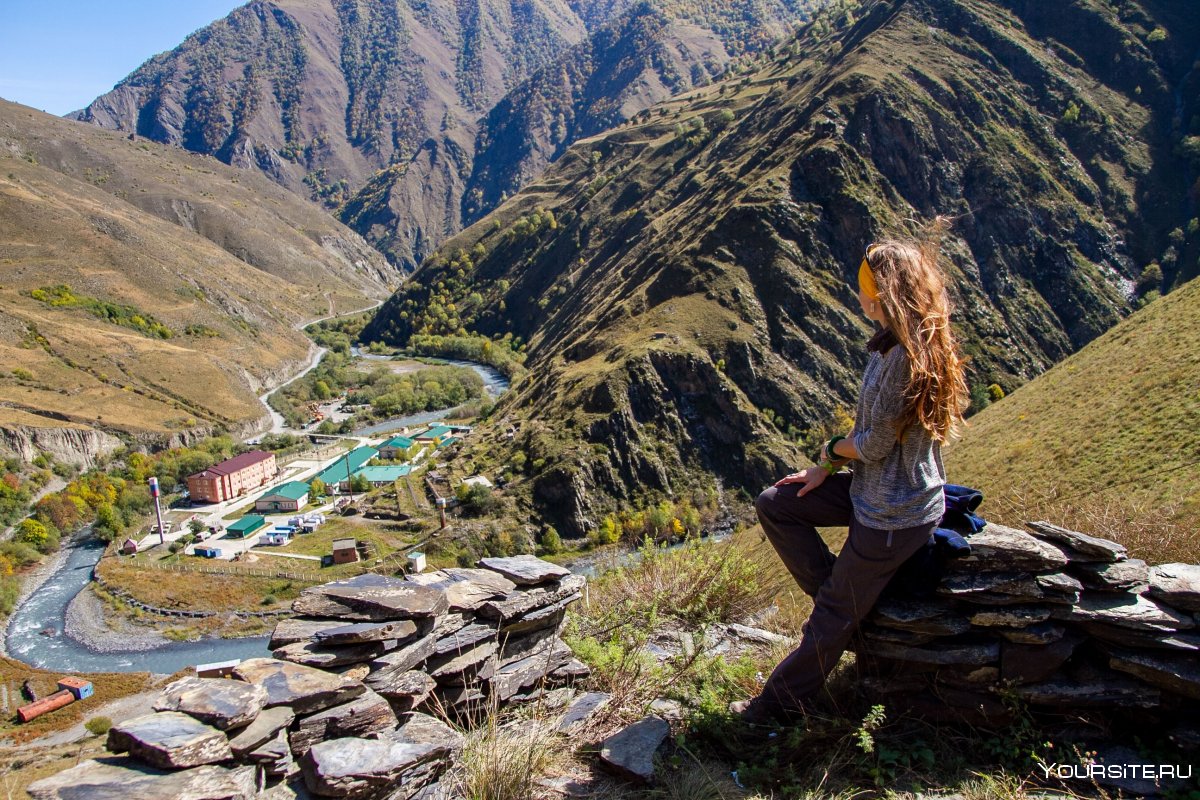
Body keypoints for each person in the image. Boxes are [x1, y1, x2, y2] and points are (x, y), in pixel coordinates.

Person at [732, 233, 970, 724]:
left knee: (830, 619)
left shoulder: (904, 355)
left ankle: (774, 710)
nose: (856, 294)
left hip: (893, 512)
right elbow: (876, 436)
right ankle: (844, 602)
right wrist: (826, 469)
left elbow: (876, 444)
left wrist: (830, 450)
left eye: (862, 286)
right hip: (874, 490)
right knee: (778, 502)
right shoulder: (897, 343)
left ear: (879, 293)